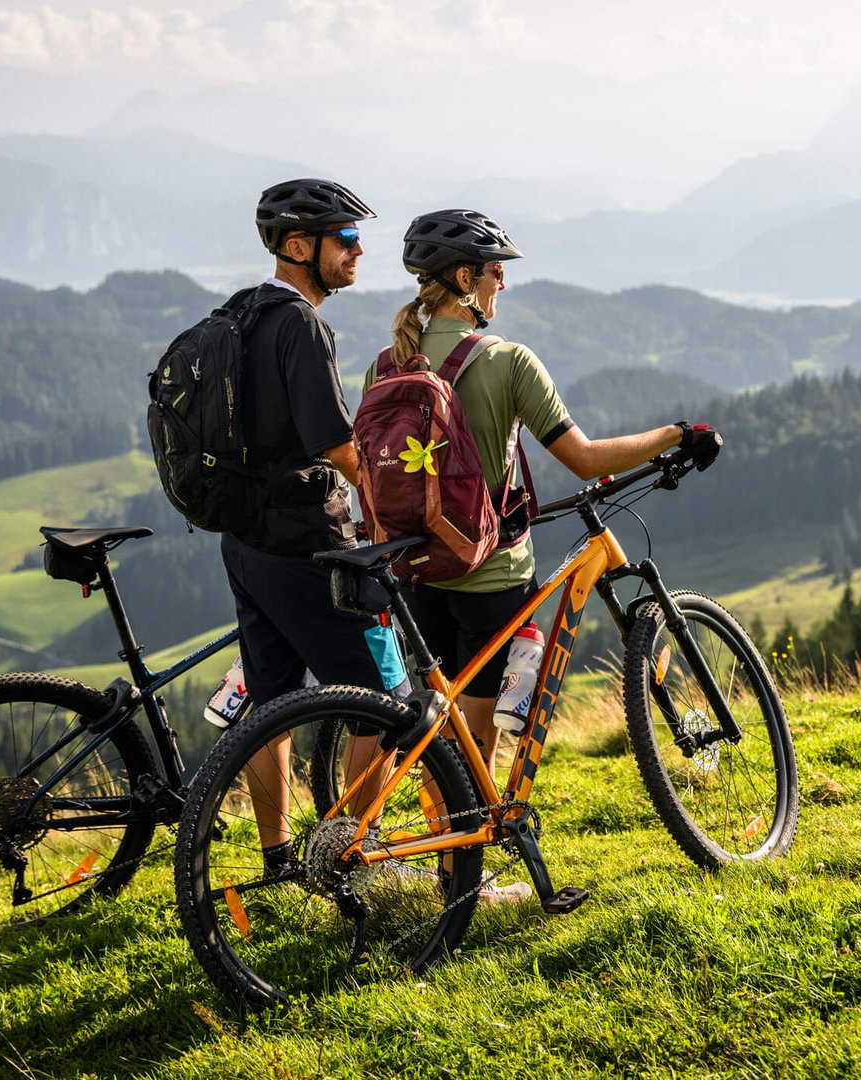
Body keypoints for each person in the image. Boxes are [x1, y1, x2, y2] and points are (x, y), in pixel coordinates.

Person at [373, 209, 720, 777]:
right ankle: (465, 865)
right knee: (475, 756)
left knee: (437, 737)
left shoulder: (383, 367)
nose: (501, 282)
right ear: (465, 280)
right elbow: (583, 459)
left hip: (415, 572)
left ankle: (444, 858)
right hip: (490, 577)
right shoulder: (507, 361)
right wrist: (674, 434)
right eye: (493, 270)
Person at [225, 178, 397, 874]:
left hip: (246, 540)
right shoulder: (301, 323)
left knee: (272, 702)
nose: (360, 250)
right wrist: (387, 510)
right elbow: (336, 444)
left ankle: (277, 858)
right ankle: (358, 857)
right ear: (299, 246)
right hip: (307, 543)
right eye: (346, 238)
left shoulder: (242, 312)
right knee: (383, 705)